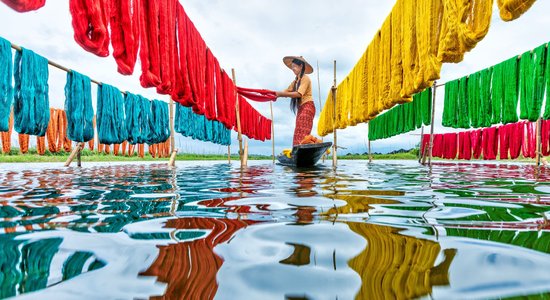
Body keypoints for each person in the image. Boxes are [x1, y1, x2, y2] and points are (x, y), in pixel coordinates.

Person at [275, 56, 315, 146]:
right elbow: (286, 91)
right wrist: (273, 95)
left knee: (302, 132)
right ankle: (298, 153)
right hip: (301, 108)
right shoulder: (296, 81)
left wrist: (280, 94)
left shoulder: (306, 78)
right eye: (292, 67)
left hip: (308, 106)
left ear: (301, 66)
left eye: (294, 66)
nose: (292, 69)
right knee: (298, 131)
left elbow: (299, 94)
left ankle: (303, 151)